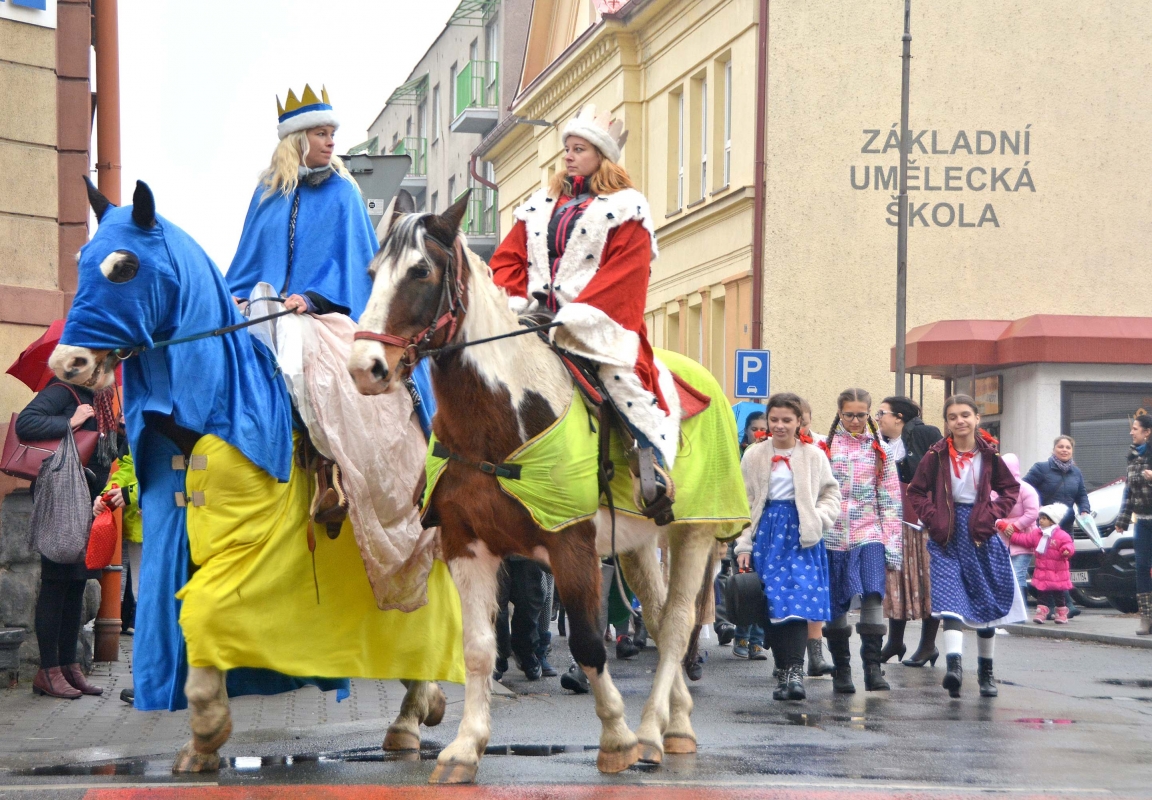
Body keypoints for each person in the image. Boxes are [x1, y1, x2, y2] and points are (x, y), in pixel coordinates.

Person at [489, 104, 674, 520]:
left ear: (601, 157)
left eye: (579, 149)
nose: (569, 156)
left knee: (619, 377)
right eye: (567, 148)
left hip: (595, 321)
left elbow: (626, 271)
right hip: (532, 316)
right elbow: (508, 259)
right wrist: (513, 301)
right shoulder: (538, 206)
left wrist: (580, 314)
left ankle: (650, 469)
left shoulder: (628, 207)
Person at [907, 395, 1025, 698]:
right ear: (947, 422)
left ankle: (986, 672)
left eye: (965, 415)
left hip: (981, 534)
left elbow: (1010, 489)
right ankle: (955, 667)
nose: (959, 421)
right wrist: (932, 518)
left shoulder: (989, 456)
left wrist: (993, 515)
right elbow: (916, 491)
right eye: (952, 417)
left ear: (976, 419)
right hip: (945, 535)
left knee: (986, 601)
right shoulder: (935, 455)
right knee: (949, 600)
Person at [735, 393, 840, 701]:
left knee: (796, 601)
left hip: (803, 537)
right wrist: (743, 544)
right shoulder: (754, 454)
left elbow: (830, 494)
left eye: (787, 420)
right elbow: (744, 503)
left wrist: (817, 519)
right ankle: (784, 670)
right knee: (772, 605)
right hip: (767, 536)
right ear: (767, 421)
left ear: (799, 422)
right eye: (774, 420)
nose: (780, 426)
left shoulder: (813, 455)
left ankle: (795, 674)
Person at [16, 378, 116, 699]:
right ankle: (47, 670)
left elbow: (103, 454)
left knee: (76, 584)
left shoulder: (100, 399)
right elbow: (27, 423)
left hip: (88, 500)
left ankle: (69, 666)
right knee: (57, 582)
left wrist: (121, 434)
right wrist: (70, 420)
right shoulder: (63, 390)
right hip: (60, 496)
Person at [820, 389, 903, 693]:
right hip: (832, 534)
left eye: (861, 415)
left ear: (870, 414)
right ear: (839, 414)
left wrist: (893, 547)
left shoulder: (880, 449)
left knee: (872, 594)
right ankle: (842, 670)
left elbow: (891, 500)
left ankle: (873, 667)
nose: (855, 421)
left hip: (870, 532)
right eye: (848, 415)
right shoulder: (824, 447)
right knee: (837, 600)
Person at [874, 396, 944, 667]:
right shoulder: (882, 443)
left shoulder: (926, 433)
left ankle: (928, 645)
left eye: (882, 412)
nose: (878, 417)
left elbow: (938, 476)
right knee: (896, 582)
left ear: (899, 417)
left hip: (924, 523)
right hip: (895, 522)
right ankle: (895, 641)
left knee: (928, 582)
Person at [1023, 436, 1091, 618]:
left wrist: (1085, 510)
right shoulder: (1041, 469)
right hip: (1044, 528)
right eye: (1060, 447)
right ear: (1054, 449)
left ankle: (1063, 606)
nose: (1064, 450)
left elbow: (1082, 495)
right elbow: (1024, 489)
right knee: (1047, 566)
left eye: (1068, 447)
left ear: (1072, 451)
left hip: (1065, 528)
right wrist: (1034, 510)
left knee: (1061, 565)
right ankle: (1055, 607)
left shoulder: (1076, 473)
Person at [797, 401, 833, 676]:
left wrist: (821, 517)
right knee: (784, 596)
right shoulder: (764, 451)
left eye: (804, 422)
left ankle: (816, 655)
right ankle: (788, 656)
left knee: (812, 591)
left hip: (813, 530)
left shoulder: (820, 448)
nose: (799, 428)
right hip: (780, 530)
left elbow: (829, 490)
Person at [733, 411, 768, 660]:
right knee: (746, 586)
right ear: (746, 430)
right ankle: (741, 635)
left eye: (762, 428)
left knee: (764, 587)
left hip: (769, 529)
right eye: (753, 428)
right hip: (745, 526)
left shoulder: (771, 455)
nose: (758, 433)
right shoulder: (740, 454)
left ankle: (757, 639)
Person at [1113, 413, 1152, 635]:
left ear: (1147, 432)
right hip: (1143, 522)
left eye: (1136, 428)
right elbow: (1129, 492)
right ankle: (1146, 618)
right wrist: (1122, 519)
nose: (1131, 431)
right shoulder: (1133, 457)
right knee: (1141, 567)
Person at [1011, 504, 1075, 624]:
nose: (1040, 521)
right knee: (1042, 595)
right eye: (1040, 518)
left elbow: (1069, 544)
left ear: (1052, 521)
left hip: (1057, 572)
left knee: (1059, 595)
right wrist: (1012, 535)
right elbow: (1025, 539)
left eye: (1044, 518)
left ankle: (1061, 614)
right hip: (1042, 572)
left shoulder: (1061, 535)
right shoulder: (1037, 534)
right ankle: (1041, 613)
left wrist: (1067, 550)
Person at [996, 454, 1040, 599]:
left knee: (1017, 574)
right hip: (1000, 539)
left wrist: (1015, 526)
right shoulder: (993, 489)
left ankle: (1019, 611)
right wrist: (1000, 523)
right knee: (1002, 576)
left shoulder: (1026, 489)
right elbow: (988, 510)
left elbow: (1033, 512)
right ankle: (1007, 609)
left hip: (1024, 538)